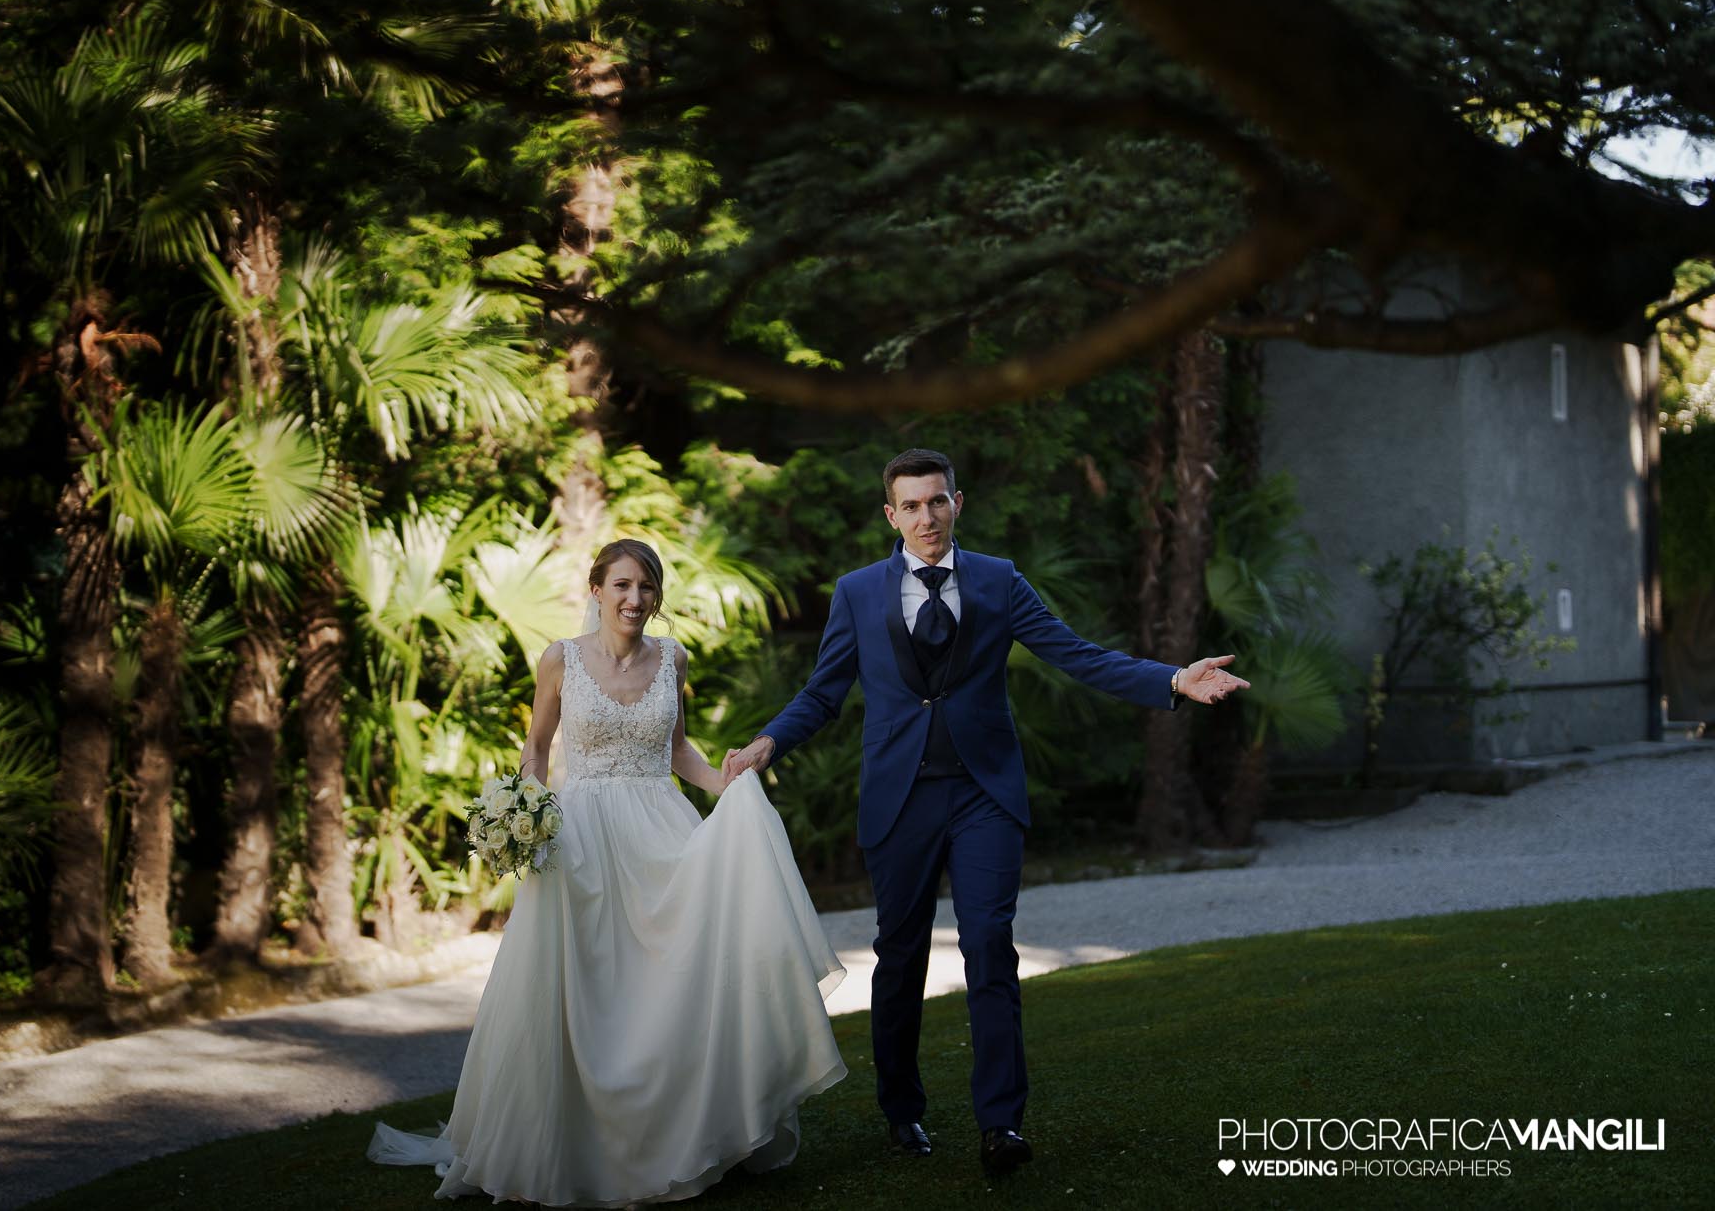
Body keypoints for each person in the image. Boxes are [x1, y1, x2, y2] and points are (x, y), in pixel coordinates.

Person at [722, 448, 1247, 1174]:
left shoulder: (999, 581)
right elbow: (823, 693)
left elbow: (1076, 653)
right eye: (911, 505)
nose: (926, 516)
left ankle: (1002, 1122)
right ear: (891, 514)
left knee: (991, 947)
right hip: (898, 800)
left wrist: (1173, 680)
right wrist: (767, 743)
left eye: (937, 501)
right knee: (899, 957)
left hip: (983, 794)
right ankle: (902, 1108)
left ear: (957, 503)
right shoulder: (858, 592)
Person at [368, 539, 846, 1206]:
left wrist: (728, 782)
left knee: (667, 989)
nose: (635, 598)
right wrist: (524, 808)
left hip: (662, 834)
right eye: (622, 584)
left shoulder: (672, 658)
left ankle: (679, 1137)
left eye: (647, 587)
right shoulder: (559, 659)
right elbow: (537, 745)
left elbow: (677, 749)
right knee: (585, 992)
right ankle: (570, 1145)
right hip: (581, 840)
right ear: (596, 588)